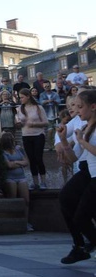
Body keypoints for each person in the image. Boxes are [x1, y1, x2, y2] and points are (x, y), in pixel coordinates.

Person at [56, 89, 96, 264]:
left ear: (93, 107)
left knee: (83, 216)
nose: (77, 111)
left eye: (80, 107)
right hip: (89, 172)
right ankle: (80, 246)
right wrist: (64, 140)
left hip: (94, 175)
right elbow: (73, 158)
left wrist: (81, 142)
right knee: (66, 197)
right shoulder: (84, 127)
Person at [15, 88, 49, 190]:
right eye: (19, 97)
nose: (20, 99)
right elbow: (17, 124)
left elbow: (46, 122)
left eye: (22, 97)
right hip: (26, 136)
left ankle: (43, 181)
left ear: (28, 96)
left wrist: (33, 124)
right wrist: (18, 123)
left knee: (38, 158)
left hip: (38, 135)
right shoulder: (19, 108)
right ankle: (35, 182)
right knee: (31, 159)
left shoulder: (38, 108)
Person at [0, 132, 31, 230]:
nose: (14, 141)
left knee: (26, 200)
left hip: (21, 177)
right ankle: (13, 221)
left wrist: (16, 162)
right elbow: (8, 165)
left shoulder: (18, 149)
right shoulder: (3, 152)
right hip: (10, 178)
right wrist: (20, 163)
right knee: (13, 200)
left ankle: (26, 222)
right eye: (12, 140)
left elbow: (26, 162)